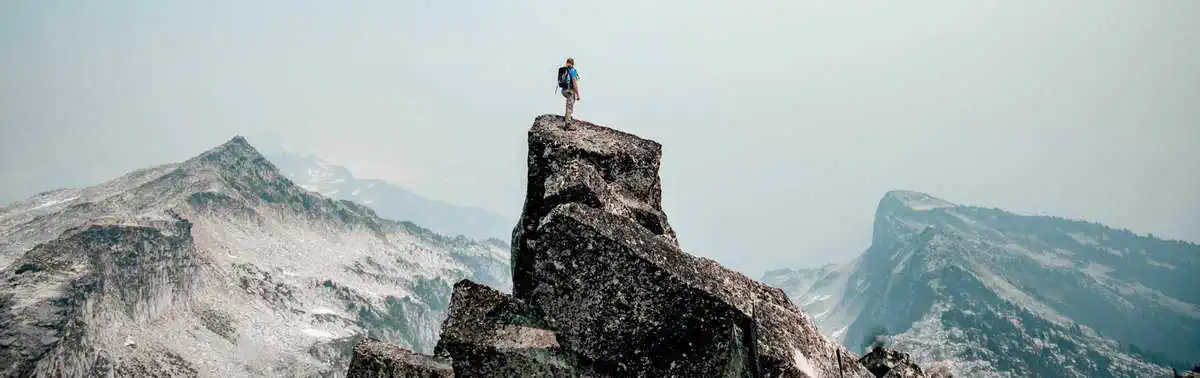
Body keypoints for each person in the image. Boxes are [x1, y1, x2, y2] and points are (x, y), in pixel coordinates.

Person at [557, 58, 581, 126]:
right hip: (570, 90)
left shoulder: (563, 69)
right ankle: (568, 124)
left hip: (563, 90)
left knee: (568, 103)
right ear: (573, 63)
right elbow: (574, 83)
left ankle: (567, 117)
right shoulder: (572, 70)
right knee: (570, 106)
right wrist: (577, 94)